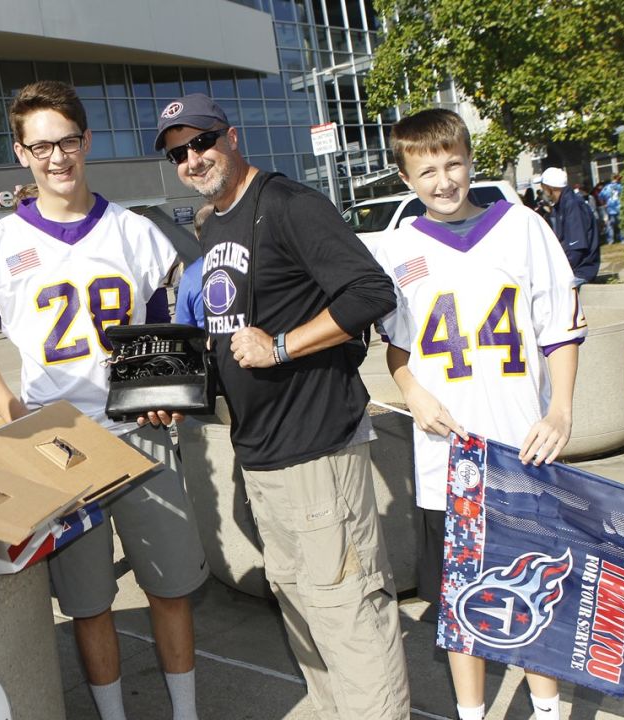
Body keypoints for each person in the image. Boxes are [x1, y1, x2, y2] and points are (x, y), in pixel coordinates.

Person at [0, 81, 207, 720]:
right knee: (89, 601)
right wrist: (13, 414)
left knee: (169, 586)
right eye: (40, 146)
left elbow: (155, 330)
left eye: (66, 141)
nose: (56, 158)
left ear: (86, 141)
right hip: (58, 443)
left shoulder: (134, 231)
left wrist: (159, 390)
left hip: (137, 429)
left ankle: (185, 713)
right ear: (21, 153)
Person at [156, 93, 407, 719]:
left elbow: (371, 291)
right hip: (261, 453)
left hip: (317, 444)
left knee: (347, 609)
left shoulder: (289, 205)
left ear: (231, 137)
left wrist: (285, 346)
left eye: (202, 142)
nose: (193, 158)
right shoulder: (211, 224)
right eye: (179, 152)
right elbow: (228, 335)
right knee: (299, 606)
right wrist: (175, 392)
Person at [375, 108, 587, 720]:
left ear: (471, 161)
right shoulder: (399, 247)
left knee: (536, 588)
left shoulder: (523, 227)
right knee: (461, 593)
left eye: (453, 164)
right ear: (406, 177)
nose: (443, 181)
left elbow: (559, 330)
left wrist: (562, 411)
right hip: (450, 454)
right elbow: (398, 346)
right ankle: (471, 712)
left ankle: (547, 708)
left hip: (525, 440)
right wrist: (412, 392)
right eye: (426, 171)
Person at [539, 167, 600, 286]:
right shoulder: (561, 205)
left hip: (580, 272)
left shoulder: (573, 205)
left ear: (550, 188)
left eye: (543, 188)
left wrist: (556, 271)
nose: (543, 192)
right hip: (572, 269)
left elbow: (576, 248)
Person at [174, 204, 213, 329]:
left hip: (208, 346)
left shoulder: (190, 277)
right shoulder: (256, 262)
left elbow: (183, 329)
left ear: (196, 235)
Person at [599, 174, 624, 244]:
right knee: (621, 224)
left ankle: (610, 240)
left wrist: (604, 203)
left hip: (610, 208)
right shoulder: (621, 186)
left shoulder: (606, 187)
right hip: (619, 207)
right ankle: (623, 239)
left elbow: (600, 196)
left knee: (610, 225)